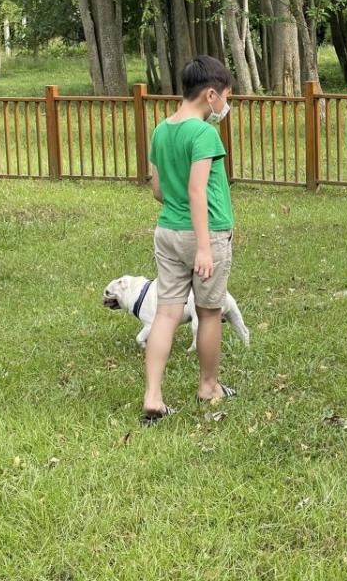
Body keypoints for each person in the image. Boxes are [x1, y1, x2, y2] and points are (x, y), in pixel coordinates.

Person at [142, 56, 237, 425]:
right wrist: (202, 246)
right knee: (210, 311)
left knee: (166, 313)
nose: (224, 106)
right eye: (225, 97)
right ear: (210, 94)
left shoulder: (161, 130)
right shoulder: (204, 134)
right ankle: (208, 386)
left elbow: (157, 189)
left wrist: (178, 209)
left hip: (167, 231)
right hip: (206, 235)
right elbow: (198, 191)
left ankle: (153, 397)